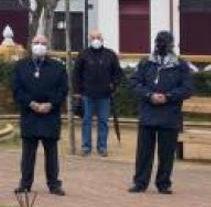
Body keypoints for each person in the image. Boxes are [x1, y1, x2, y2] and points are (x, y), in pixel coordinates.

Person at [129, 30, 193, 194]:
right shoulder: (146, 63)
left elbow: (187, 88)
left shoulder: (180, 65)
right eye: (159, 43)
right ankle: (140, 182)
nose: (161, 46)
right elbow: (134, 83)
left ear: (172, 45)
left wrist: (169, 97)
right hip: (148, 114)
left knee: (166, 153)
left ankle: (164, 183)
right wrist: (149, 95)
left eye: (165, 43)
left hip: (169, 115)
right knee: (143, 152)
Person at [11, 33, 68, 196]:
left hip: (50, 114)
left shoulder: (58, 67)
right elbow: (17, 89)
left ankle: (54, 184)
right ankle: (25, 183)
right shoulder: (21, 66)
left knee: (51, 152)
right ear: (31, 45)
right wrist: (31, 103)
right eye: (36, 42)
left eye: (43, 43)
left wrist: (50, 104)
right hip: (30, 114)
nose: (39, 45)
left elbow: (63, 89)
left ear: (47, 46)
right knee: (28, 152)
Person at [72, 28, 124, 157]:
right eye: (93, 37)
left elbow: (118, 73)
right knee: (86, 121)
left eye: (98, 37)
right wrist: (77, 91)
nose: (96, 40)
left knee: (103, 122)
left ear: (102, 39)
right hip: (87, 94)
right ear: (89, 39)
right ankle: (86, 147)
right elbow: (76, 74)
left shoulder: (110, 55)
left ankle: (102, 147)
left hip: (104, 95)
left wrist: (113, 85)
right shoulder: (83, 54)